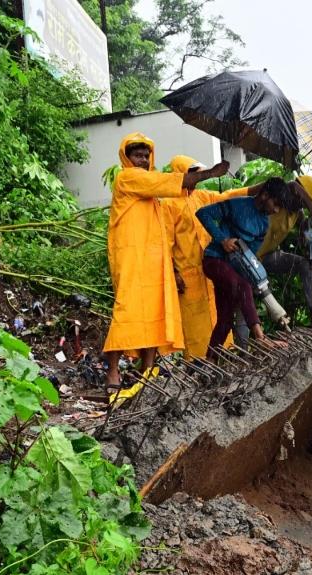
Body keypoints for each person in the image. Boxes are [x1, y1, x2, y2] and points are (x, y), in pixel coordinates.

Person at [103, 133, 228, 393]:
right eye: (137, 155)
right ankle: (113, 371)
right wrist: (209, 174)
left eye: (146, 155)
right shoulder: (127, 178)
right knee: (125, 311)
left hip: (152, 262)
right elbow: (167, 182)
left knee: (154, 313)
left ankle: (147, 372)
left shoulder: (150, 188)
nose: (143, 160)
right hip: (130, 259)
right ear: (127, 158)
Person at [161, 155, 251, 360]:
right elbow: (165, 242)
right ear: (181, 175)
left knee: (218, 316)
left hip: (210, 271)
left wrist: (257, 190)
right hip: (187, 275)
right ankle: (198, 366)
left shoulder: (202, 197)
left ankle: (222, 359)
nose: (198, 178)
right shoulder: (168, 204)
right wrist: (174, 272)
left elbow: (229, 196)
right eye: (194, 173)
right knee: (194, 327)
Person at [195, 179, 290, 356]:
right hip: (214, 261)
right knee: (242, 286)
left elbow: (249, 257)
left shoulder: (264, 224)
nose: (275, 210)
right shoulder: (237, 204)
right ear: (265, 195)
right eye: (275, 204)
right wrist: (222, 239)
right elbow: (203, 213)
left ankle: (210, 360)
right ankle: (260, 338)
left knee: (225, 320)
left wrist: (253, 277)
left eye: (279, 208)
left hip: (232, 271)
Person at [234, 175, 312, 341]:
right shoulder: (277, 198)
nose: (297, 202)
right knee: (244, 301)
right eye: (300, 198)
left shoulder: (298, 215)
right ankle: (242, 348)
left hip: (267, 257)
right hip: (244, 256)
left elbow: (306, 245)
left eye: (301, 202)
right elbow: (293, 184)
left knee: (303, 264)